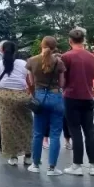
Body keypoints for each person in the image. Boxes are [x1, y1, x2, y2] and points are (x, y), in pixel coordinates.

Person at [0, 41, 32, 167]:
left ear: (2, 50)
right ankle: (28, 155)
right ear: (15, 51)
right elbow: (29, 81)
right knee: (26, 125)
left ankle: (13, 156)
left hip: (3, 97)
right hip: (21, 96)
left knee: (8, 127)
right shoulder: (23, 64)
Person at [60, 28, 94, 176]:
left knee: (75, 130)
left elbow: (63, 80)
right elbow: (93, 76)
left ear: (70, 41)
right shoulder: (91, 57)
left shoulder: (66, 56)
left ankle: (77, 164)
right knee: (89, 131)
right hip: (88, 96)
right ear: (83, 40)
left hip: (71, 96)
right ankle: (93, 165)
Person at [27, 36, 67, 176]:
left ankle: (35, 164)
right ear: (55, 47)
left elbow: (30, 82)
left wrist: (34, 94)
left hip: (40, 96)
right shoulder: (59, 62)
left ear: (41, 45)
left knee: (38, 133)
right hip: (56, 97)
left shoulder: (32, 61)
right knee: (55, 134)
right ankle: (52, 168)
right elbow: (62, 84)